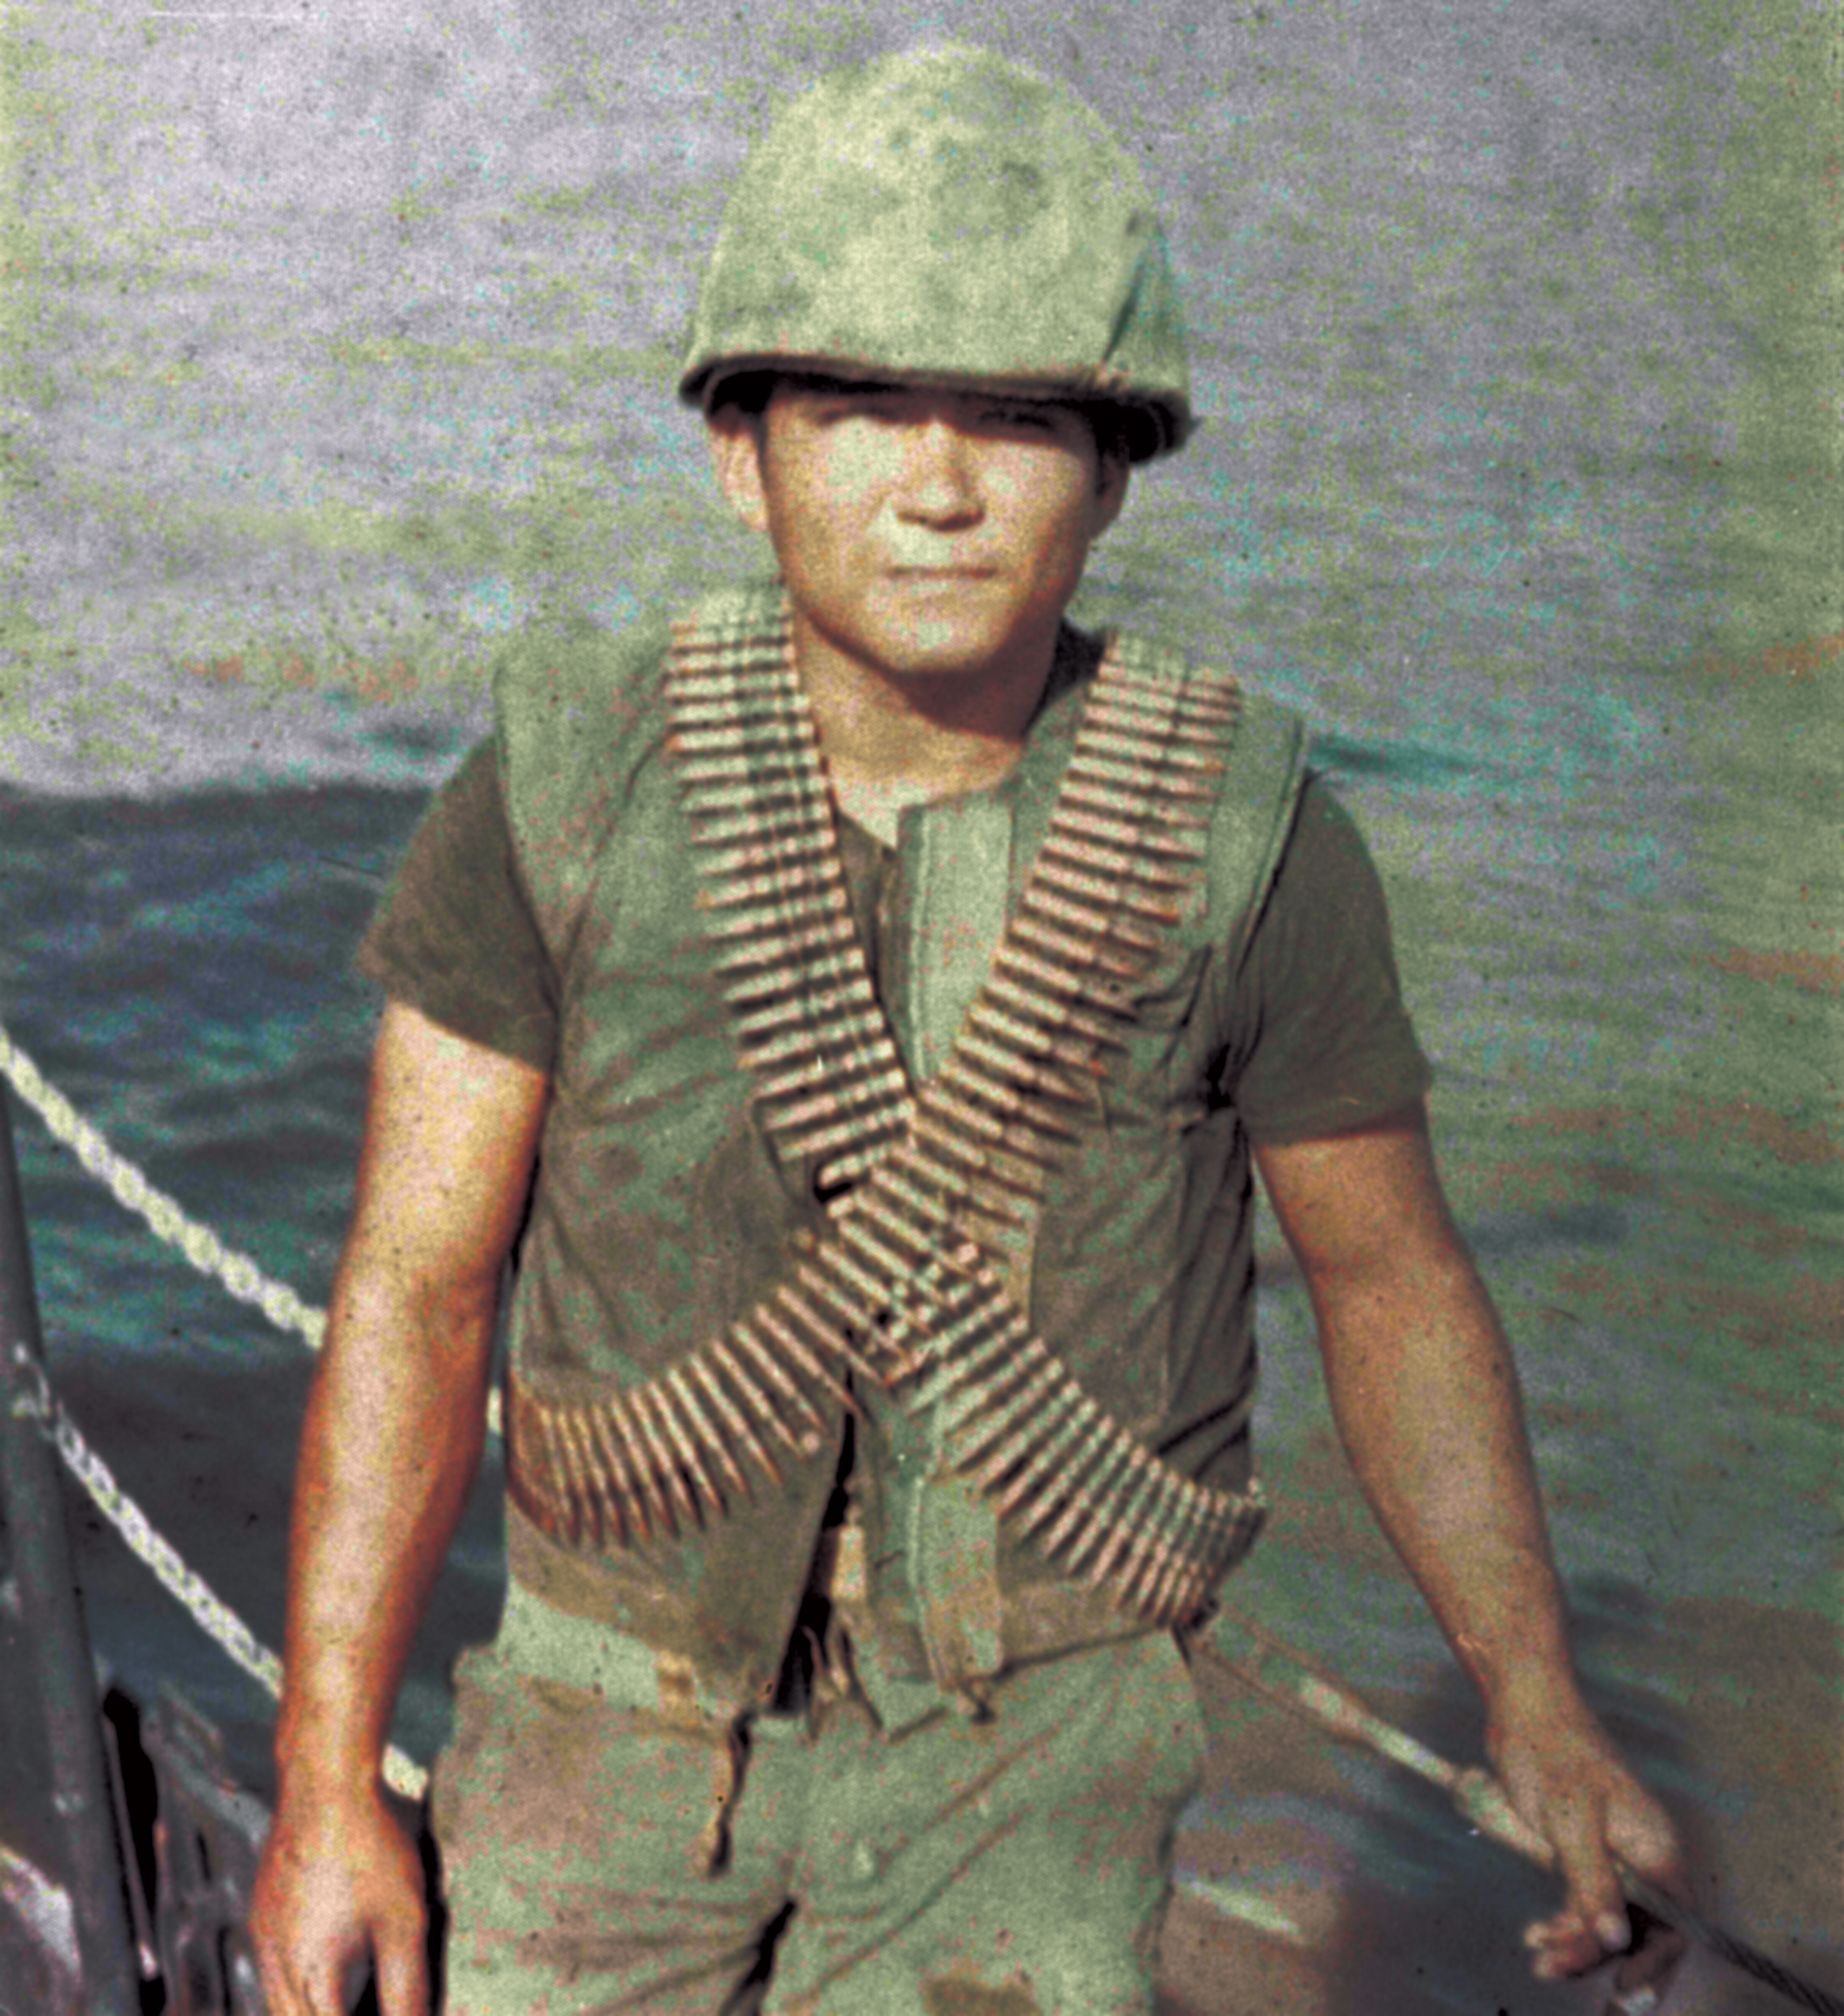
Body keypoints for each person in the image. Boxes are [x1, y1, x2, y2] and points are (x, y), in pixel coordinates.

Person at [249, 43, 1688, 2016]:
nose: (934, 487)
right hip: (602, 1728)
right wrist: (326, 1781)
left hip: (1039, 1759)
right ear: (737, 454)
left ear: (1111, 468)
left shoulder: (1234, 835)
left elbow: (1390, 1282)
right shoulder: (569, 790)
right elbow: (416, 1288)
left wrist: (1533, 1698)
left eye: (1013, 418)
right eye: (856, 408)